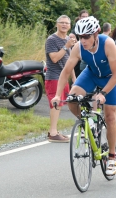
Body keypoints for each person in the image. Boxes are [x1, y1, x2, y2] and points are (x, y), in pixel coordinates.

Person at [51, 16, 116, 175]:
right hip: (91, 74)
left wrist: (103, 93)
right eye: (80, 36)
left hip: (110, 78)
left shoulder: (108, 44)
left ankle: (111, 157)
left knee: (110, 116)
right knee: (71, 99)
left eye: (86, 37)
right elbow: (65, 72)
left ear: (96, 34)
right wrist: (56, 95)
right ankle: (88, 122)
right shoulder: (78, 48)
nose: (83, 40)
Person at [45, 15, 76, 143]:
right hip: (53, 76)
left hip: (63, 77)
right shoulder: (52, 39)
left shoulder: (68, 39)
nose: (64, 25)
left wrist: (74, 79)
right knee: (55, 104)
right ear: (57, 24)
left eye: (66, 23)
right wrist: (66, 46)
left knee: (60, 104)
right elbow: (54, 58)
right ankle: (52, 133)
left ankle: (55, 131)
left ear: (69, 26)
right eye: (61, 23)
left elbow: (70, 61)